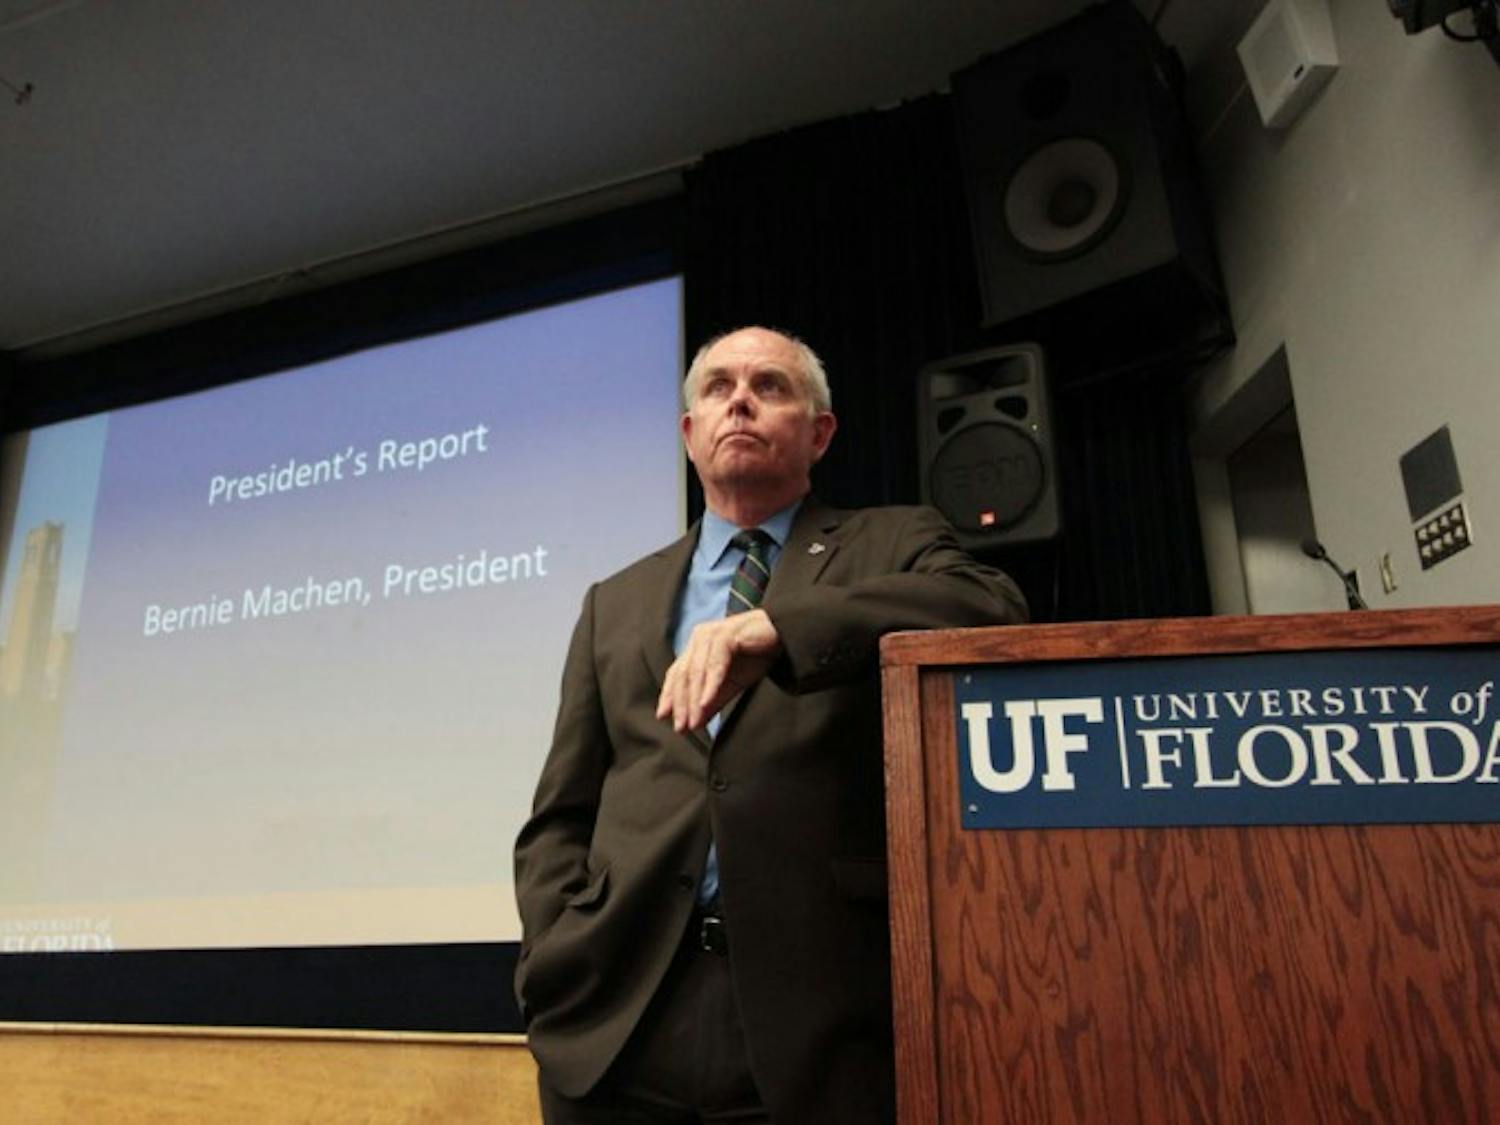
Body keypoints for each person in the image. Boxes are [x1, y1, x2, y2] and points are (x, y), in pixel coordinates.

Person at [514, 326, 1028, 1124]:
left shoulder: (893, 542)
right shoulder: (612, 601)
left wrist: (778, 627)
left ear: (818, 433)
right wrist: (553, 950)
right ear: (690, 435)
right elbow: (562, 810)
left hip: (817, 1019)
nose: (740, 400)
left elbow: (993, 608)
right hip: (615, 1014)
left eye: (770, 386)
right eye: (717, 387)